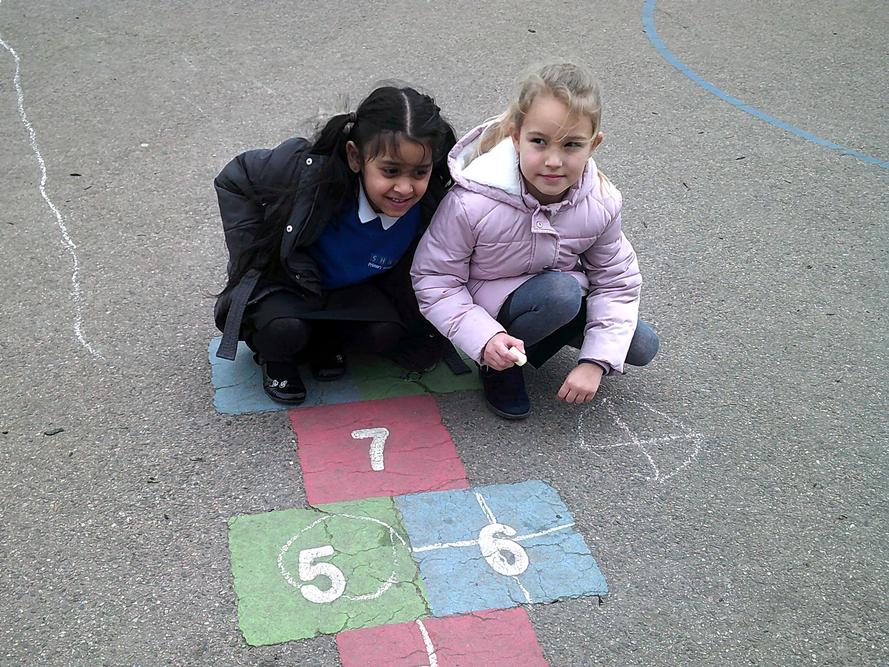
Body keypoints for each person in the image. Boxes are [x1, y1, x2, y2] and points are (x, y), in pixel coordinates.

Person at [411, 63, 659, 420]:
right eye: (539, 142)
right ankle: (498, 364)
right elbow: (435, 280)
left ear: (594, 145)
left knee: (641, 345)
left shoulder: (600, 201)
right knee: (560, 294)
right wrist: (484, 338)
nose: (554, 161)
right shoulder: (472, 202)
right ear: (516, 137)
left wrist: (595, 361)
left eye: (572, 145)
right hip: (492, 305)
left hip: (552, 295)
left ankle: (539, 339)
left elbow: (616, 281)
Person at [213, 85, 465, 405]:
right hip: (290, 283)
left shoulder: (431, 204)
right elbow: (235, 177)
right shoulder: (307, 170)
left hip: (352, 289)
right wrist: (250, 257)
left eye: (419, 172)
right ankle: (277, 361)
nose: (404, 188)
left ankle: (325, 342)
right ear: (355, 157)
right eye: (390, 171)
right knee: (283, 331)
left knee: (385, 333)